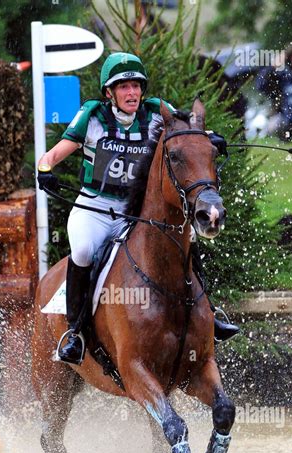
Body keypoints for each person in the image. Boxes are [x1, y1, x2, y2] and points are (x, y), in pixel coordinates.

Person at [37, 52, 238, 365]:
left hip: (136, 211)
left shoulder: (156, 112)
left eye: (136, 86)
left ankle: (210, 315)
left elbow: (186, 133)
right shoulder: (92, 116)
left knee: (185, 240)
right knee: (84, 251)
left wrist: (212, 139)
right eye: (123, 87)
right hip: (96, 208)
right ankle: (74, 332)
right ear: (109, 92)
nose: (131, 93)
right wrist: (45, 168)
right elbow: (54, 154)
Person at [256, 45, 292, 141]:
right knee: (273, 125)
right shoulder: (283, 77)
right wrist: (272, 66)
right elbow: (260, 85)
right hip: (286, 117)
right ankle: (283, 140)